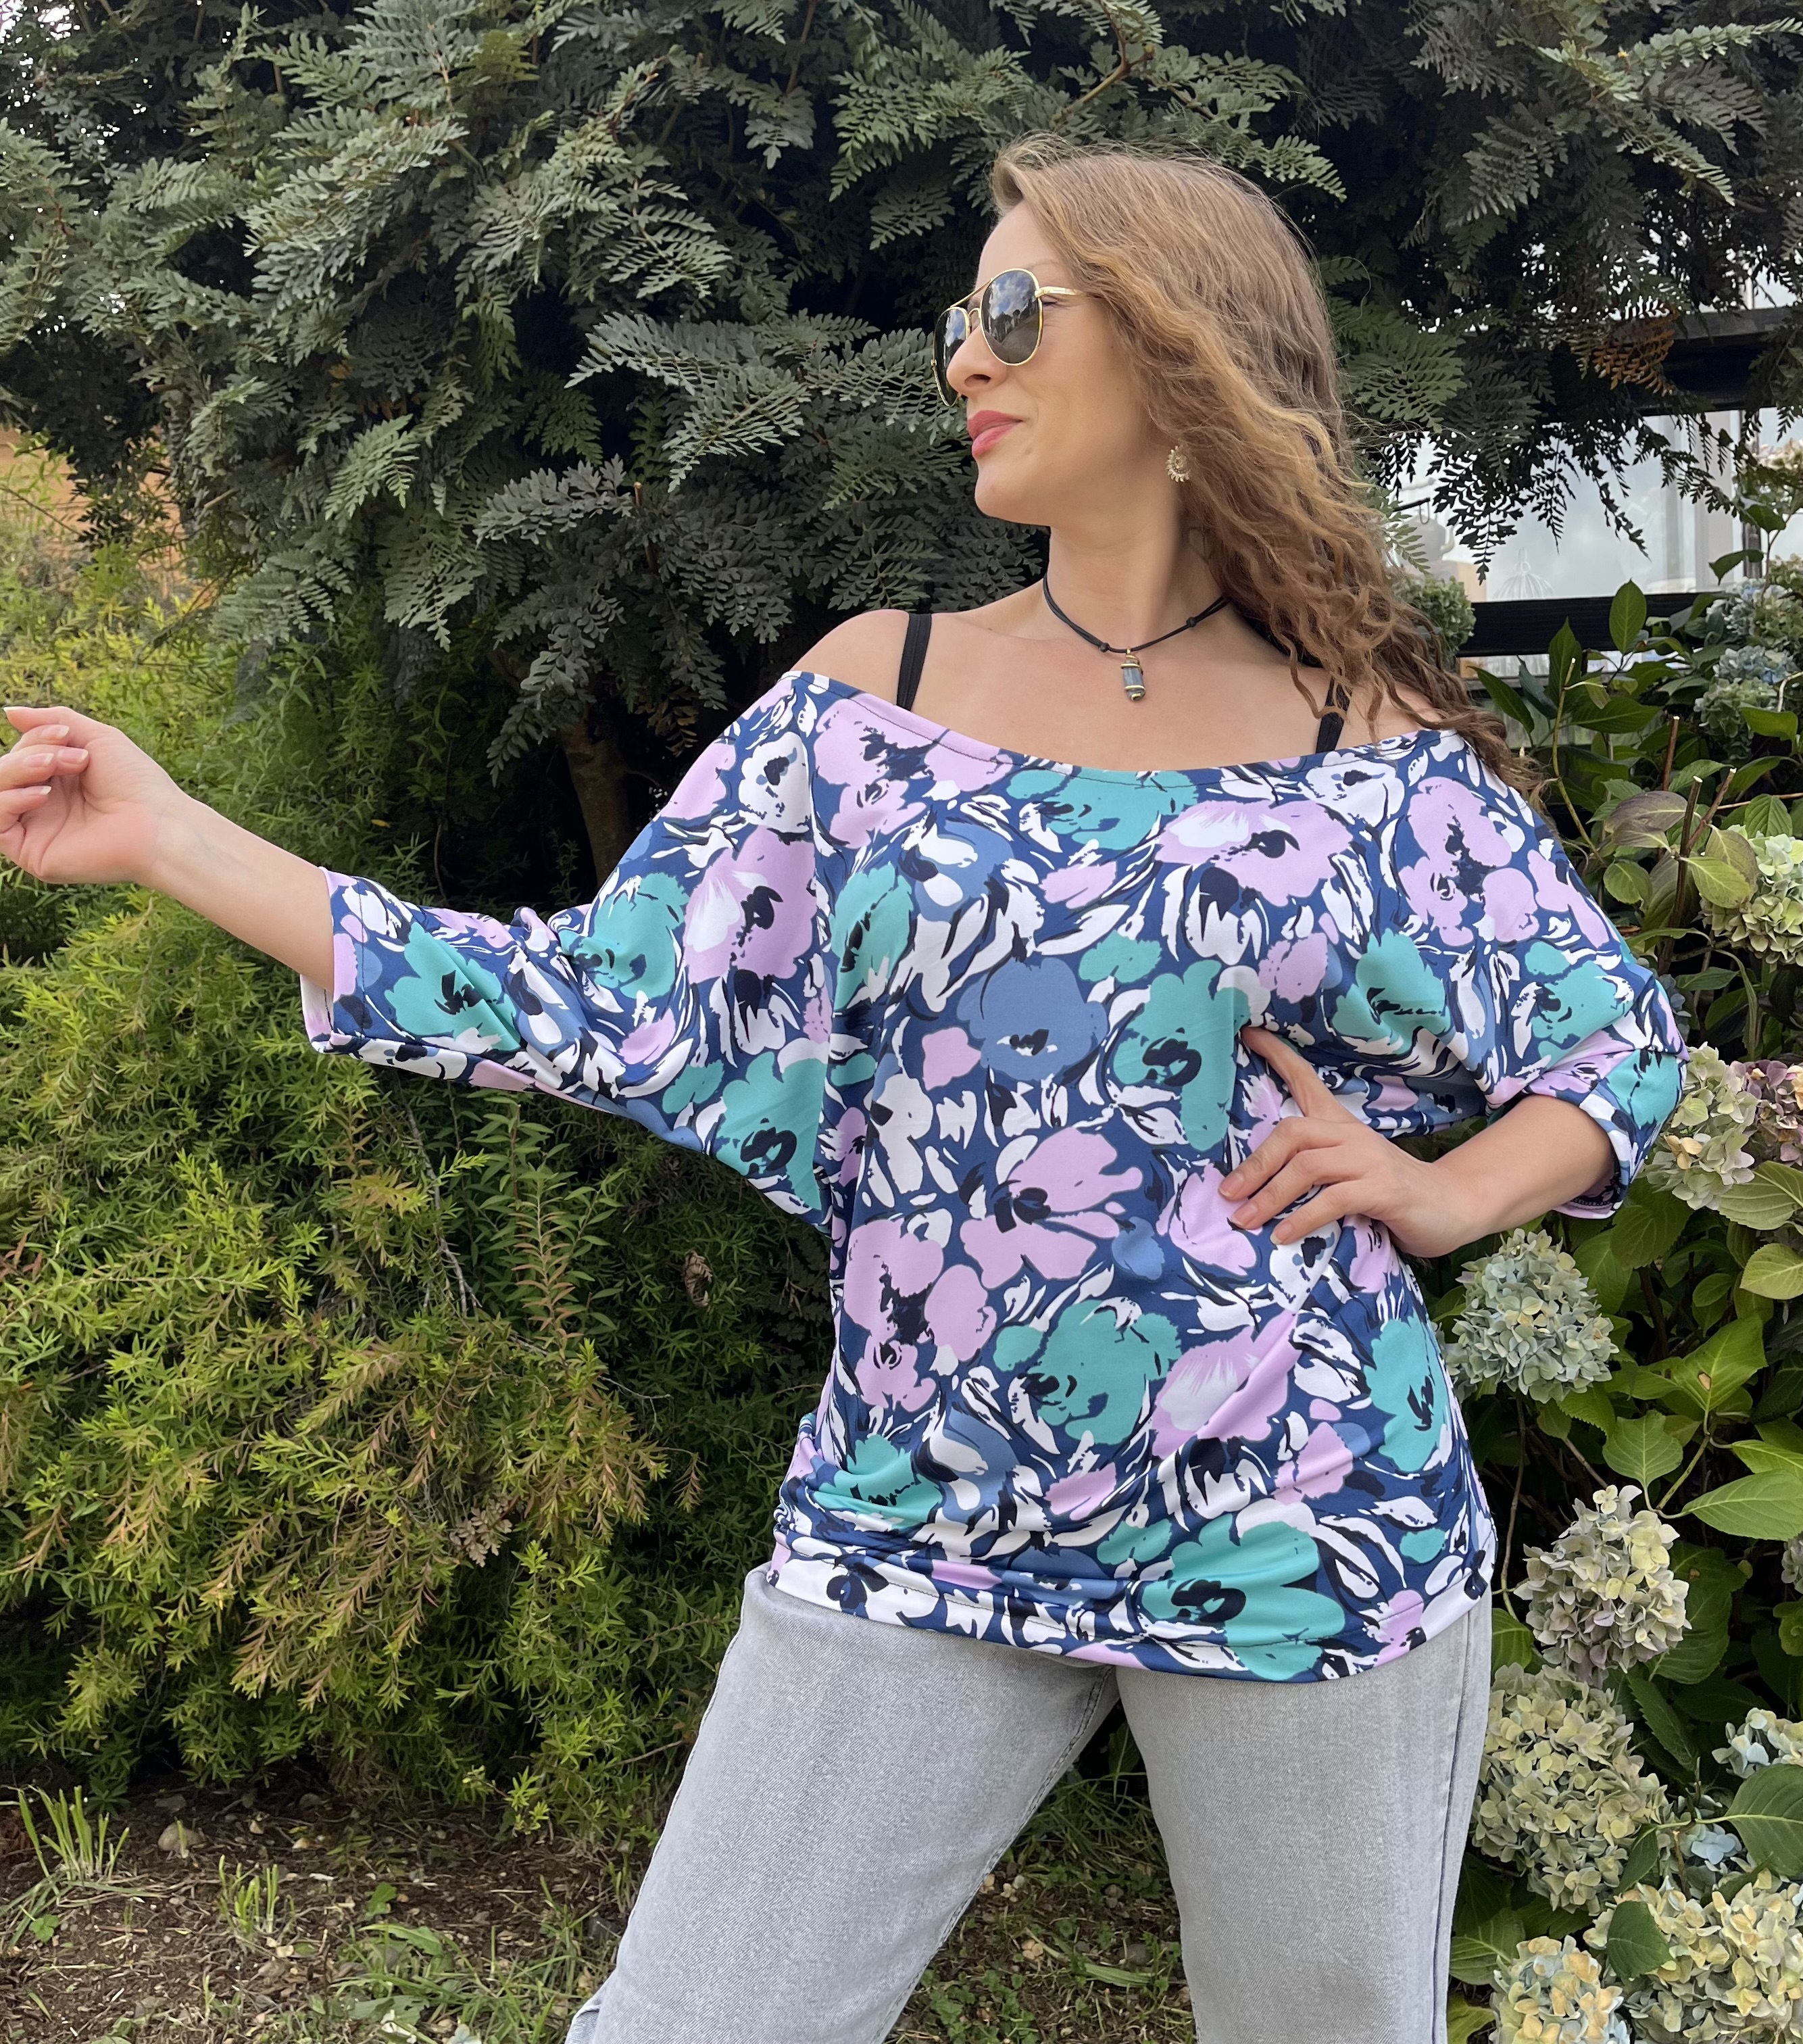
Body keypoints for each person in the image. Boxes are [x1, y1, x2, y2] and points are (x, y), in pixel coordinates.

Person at [0, 137, 1685, 2044]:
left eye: (1014, 309)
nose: (965, 355)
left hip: (1310, 1529)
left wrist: (1451, 1195)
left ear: (1182, 347)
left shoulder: (1364, 738)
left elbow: (1613, 1044)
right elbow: (597, 997)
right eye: (961, 315)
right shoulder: (875, 696)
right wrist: (173, 839)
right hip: (914, 1514)